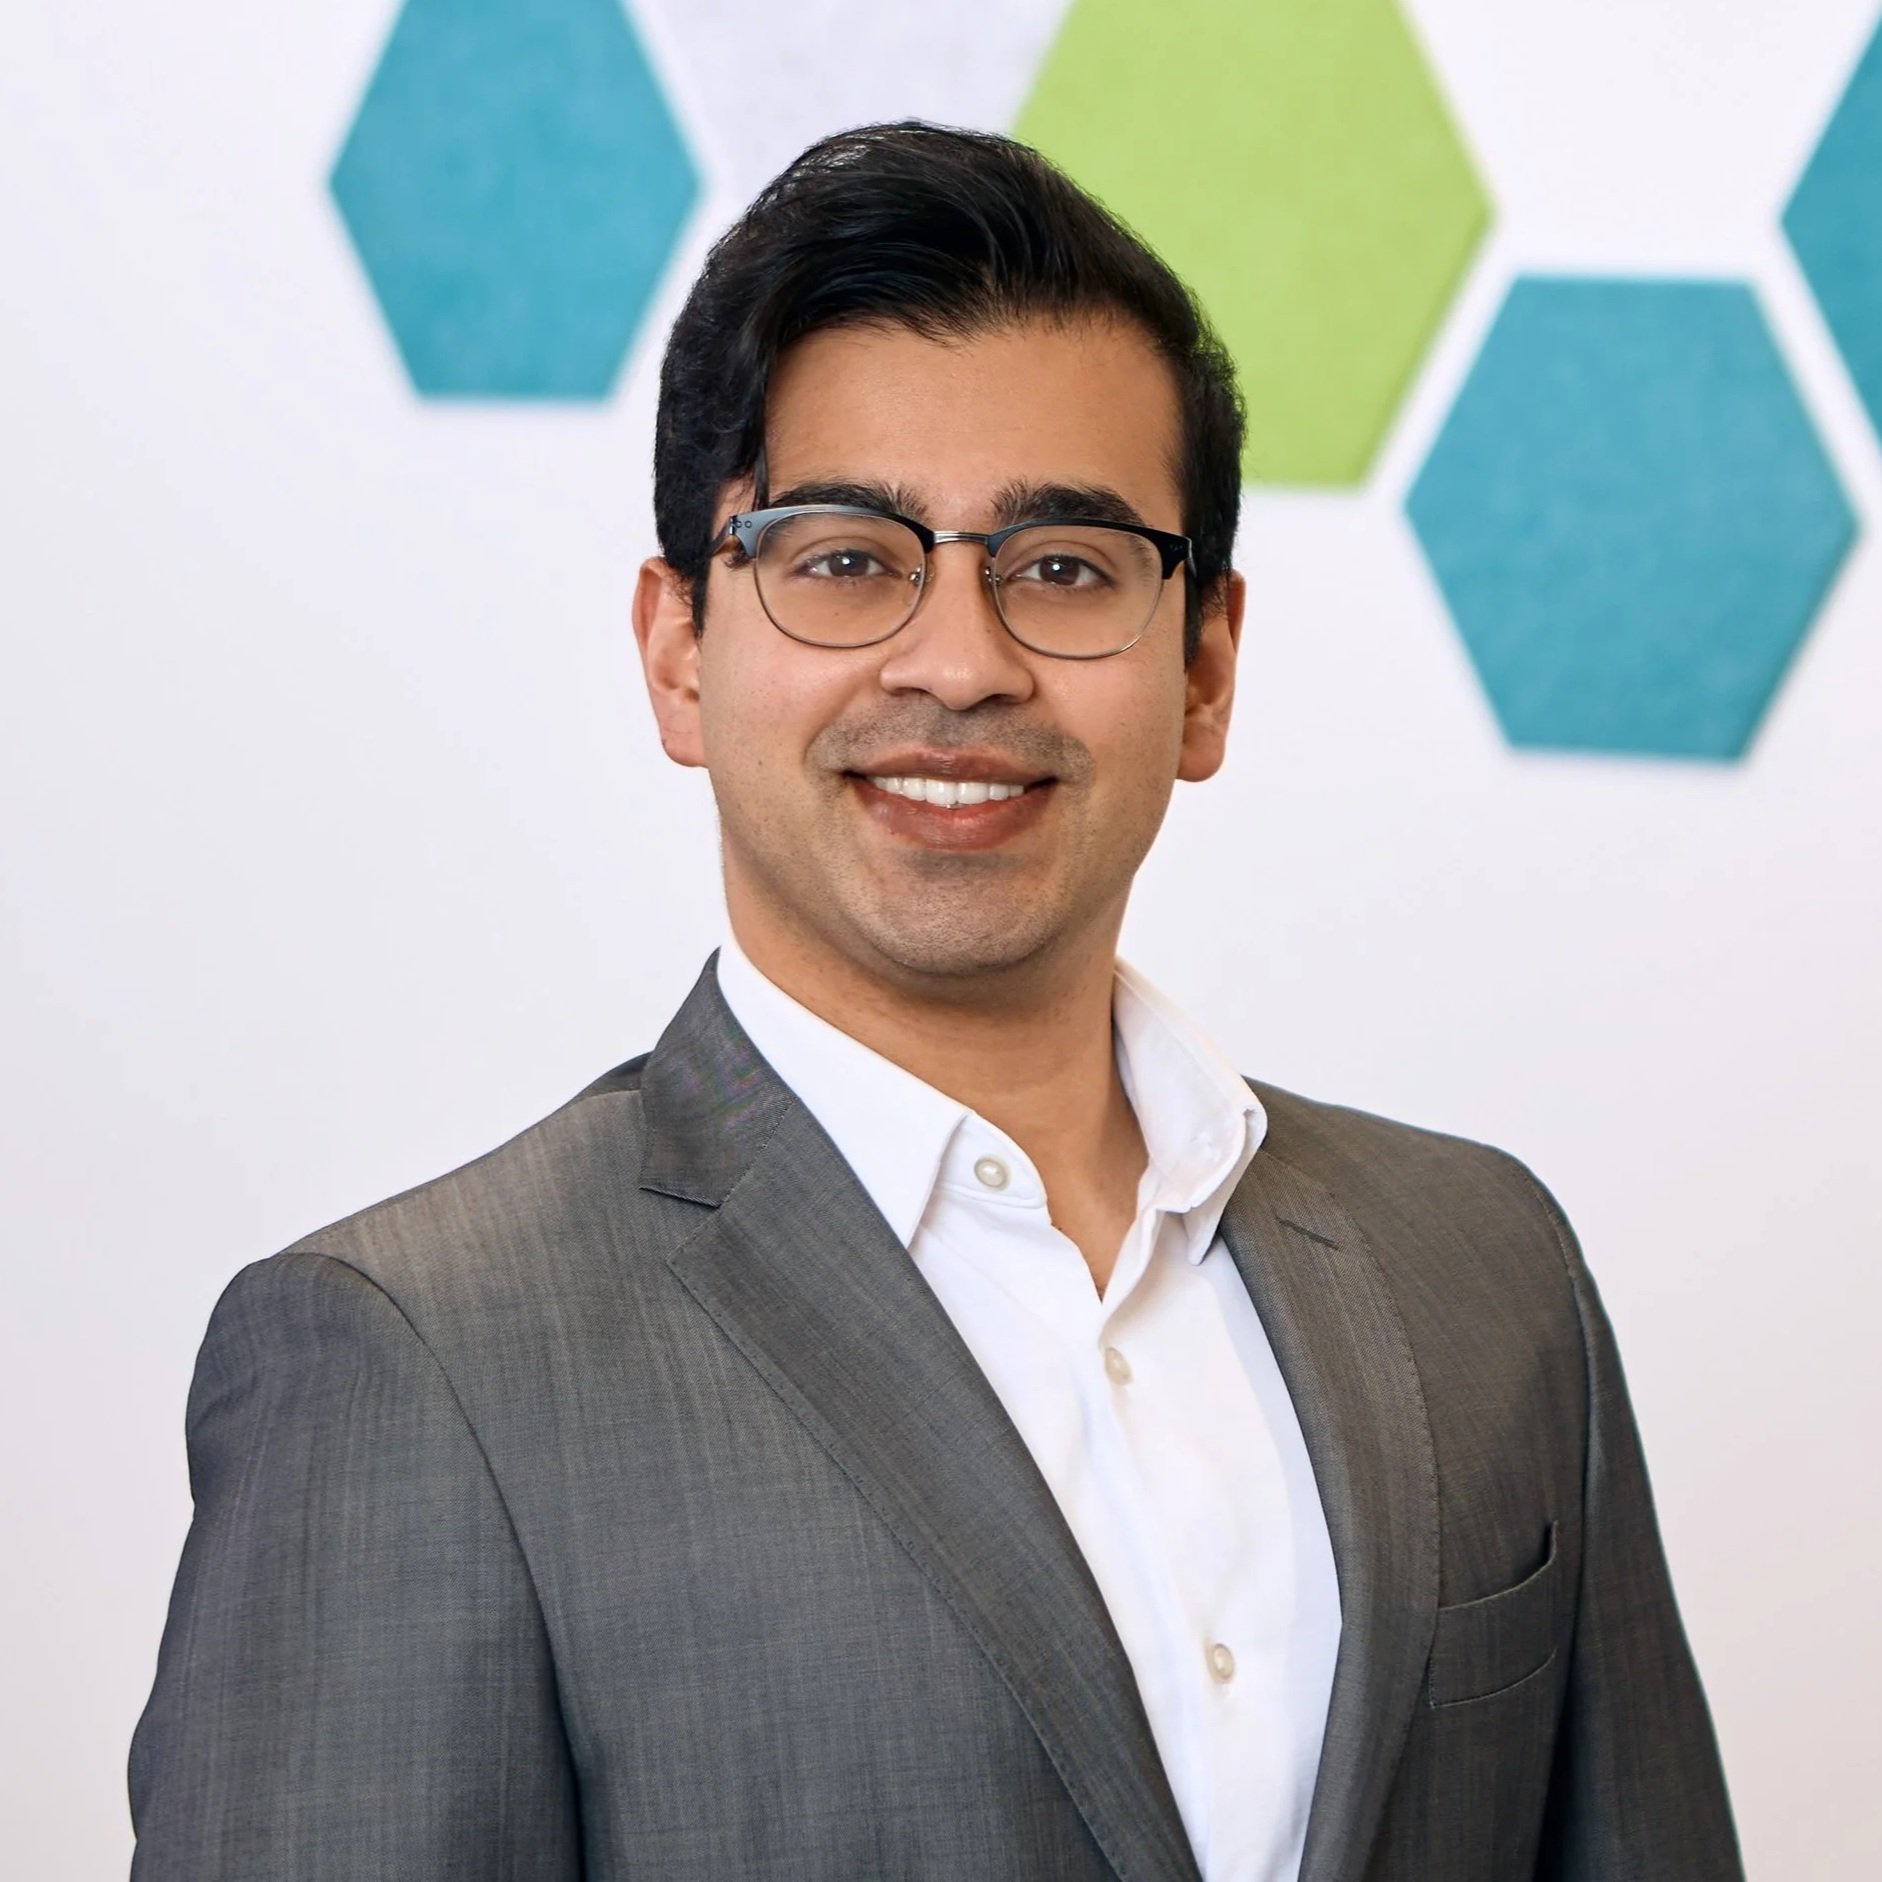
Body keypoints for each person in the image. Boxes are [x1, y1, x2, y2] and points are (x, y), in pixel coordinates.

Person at [128, 122, 1741, 1881]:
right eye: (842, 557)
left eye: (1063, 566)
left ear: (1203, 667)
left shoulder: (1482, 1267)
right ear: (680, 648)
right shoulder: (415, 1359)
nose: (960, 660)